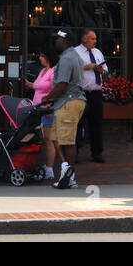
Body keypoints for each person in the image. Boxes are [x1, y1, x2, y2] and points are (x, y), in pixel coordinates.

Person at [38, 30, 84, 189]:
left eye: (57, 39)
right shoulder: (74, 56)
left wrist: (48, 97)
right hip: (66, 102)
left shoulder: (66, 59)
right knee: (56, 137)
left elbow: (62, 84)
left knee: (68, 141)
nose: (55, 42)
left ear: (65, 41)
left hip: (69, 102)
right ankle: (66, 169)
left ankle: (70, 176)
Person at [24, 49, 57, 180]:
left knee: (48, 139)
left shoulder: (52, 72)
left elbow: (55, 90)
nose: (39, 58)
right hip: (37, 109)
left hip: (46, 110)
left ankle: (49, 169)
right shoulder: (42, 71)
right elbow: (37, 86)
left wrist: (50, 105)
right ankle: (46, 166)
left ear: (47, 58)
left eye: (42, 56)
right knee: (43, 139)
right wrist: (26, 83)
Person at [75, 28, 107, 163]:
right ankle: (75, 152)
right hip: (81, 93)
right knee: (78, 124)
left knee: (96, 123)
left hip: (96, 93)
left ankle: (97, 152)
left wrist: (101, 70)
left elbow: (105, 71)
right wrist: (86, 67)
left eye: (95, 39)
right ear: (84, 39)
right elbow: (70, 69)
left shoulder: (97, 52)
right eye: (92, 39)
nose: (95, 41)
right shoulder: (75, 52)